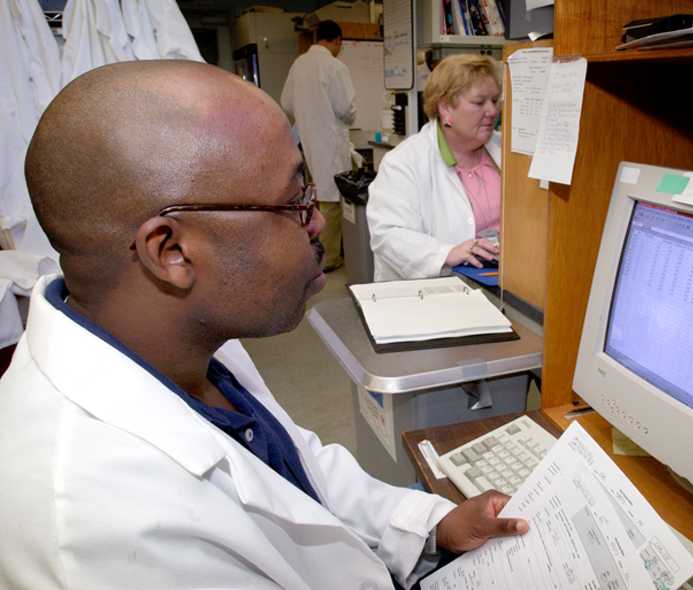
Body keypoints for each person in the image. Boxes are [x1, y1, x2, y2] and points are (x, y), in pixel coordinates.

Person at [0, 60, 530, 589]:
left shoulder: (183, 342)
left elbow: (301, 471)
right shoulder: (111, 537)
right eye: (294, 202)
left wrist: (433, 524)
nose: (319, 221)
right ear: (173, 252)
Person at [367, 54, 503, 282]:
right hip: (430, 294)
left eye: (494, 100)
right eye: (479, 102)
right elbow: (387, 234)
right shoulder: (404, 162)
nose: (492, 111)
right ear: (446, 109)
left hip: (501, 281)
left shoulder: (505, 150)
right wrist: (446, 253)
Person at [281, 19, 355, 273]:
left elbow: (287, 103)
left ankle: (316, 249)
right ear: (336, 41)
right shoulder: (334, 66)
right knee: (333, 200)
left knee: (315, 197)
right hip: (330, 141)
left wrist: (307, 114)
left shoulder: (298, 64)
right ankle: (331, 257)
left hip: (307, 141)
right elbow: (346, 108)